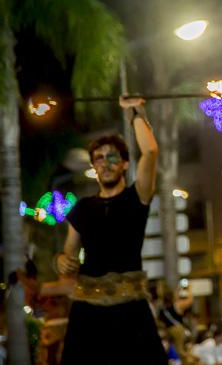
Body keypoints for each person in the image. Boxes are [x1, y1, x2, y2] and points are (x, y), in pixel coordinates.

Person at [57, 97, 166, 365]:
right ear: (94, 167)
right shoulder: (82, 208)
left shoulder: (136, 198)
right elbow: (67, 257)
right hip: (88, 312)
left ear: (125, 164)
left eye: (112, 157)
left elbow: (150, 152)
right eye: (99, 158)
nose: (105, 163)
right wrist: (61, 261)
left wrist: (136, 113)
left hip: (131, 310)